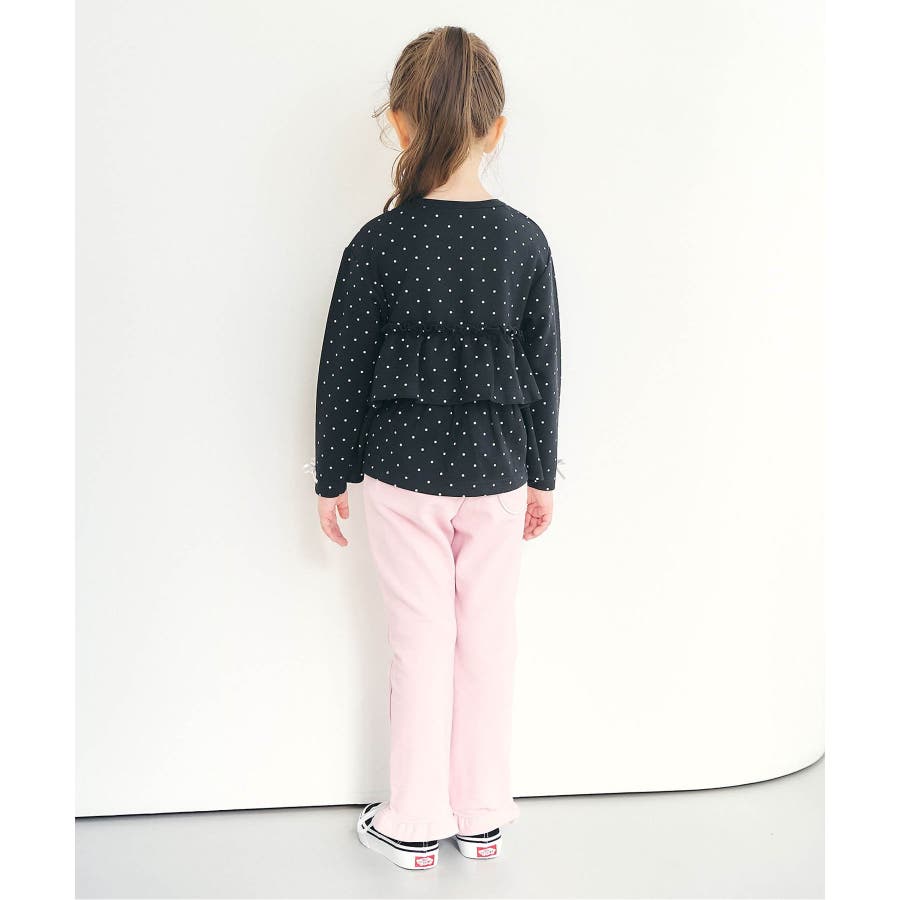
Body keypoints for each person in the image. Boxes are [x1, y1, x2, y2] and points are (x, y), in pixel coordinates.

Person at [313, 25, 562, 870]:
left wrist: (330, 475)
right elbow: (546, 366)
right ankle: (482, 816)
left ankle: (414, 820)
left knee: (420, 642)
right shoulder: (525, 241)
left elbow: (341, 367)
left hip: (402, 477)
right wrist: (543, 476)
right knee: (488, 640)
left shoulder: (378, 243)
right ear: (498, 129)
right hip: (498, 477)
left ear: (399, 122)